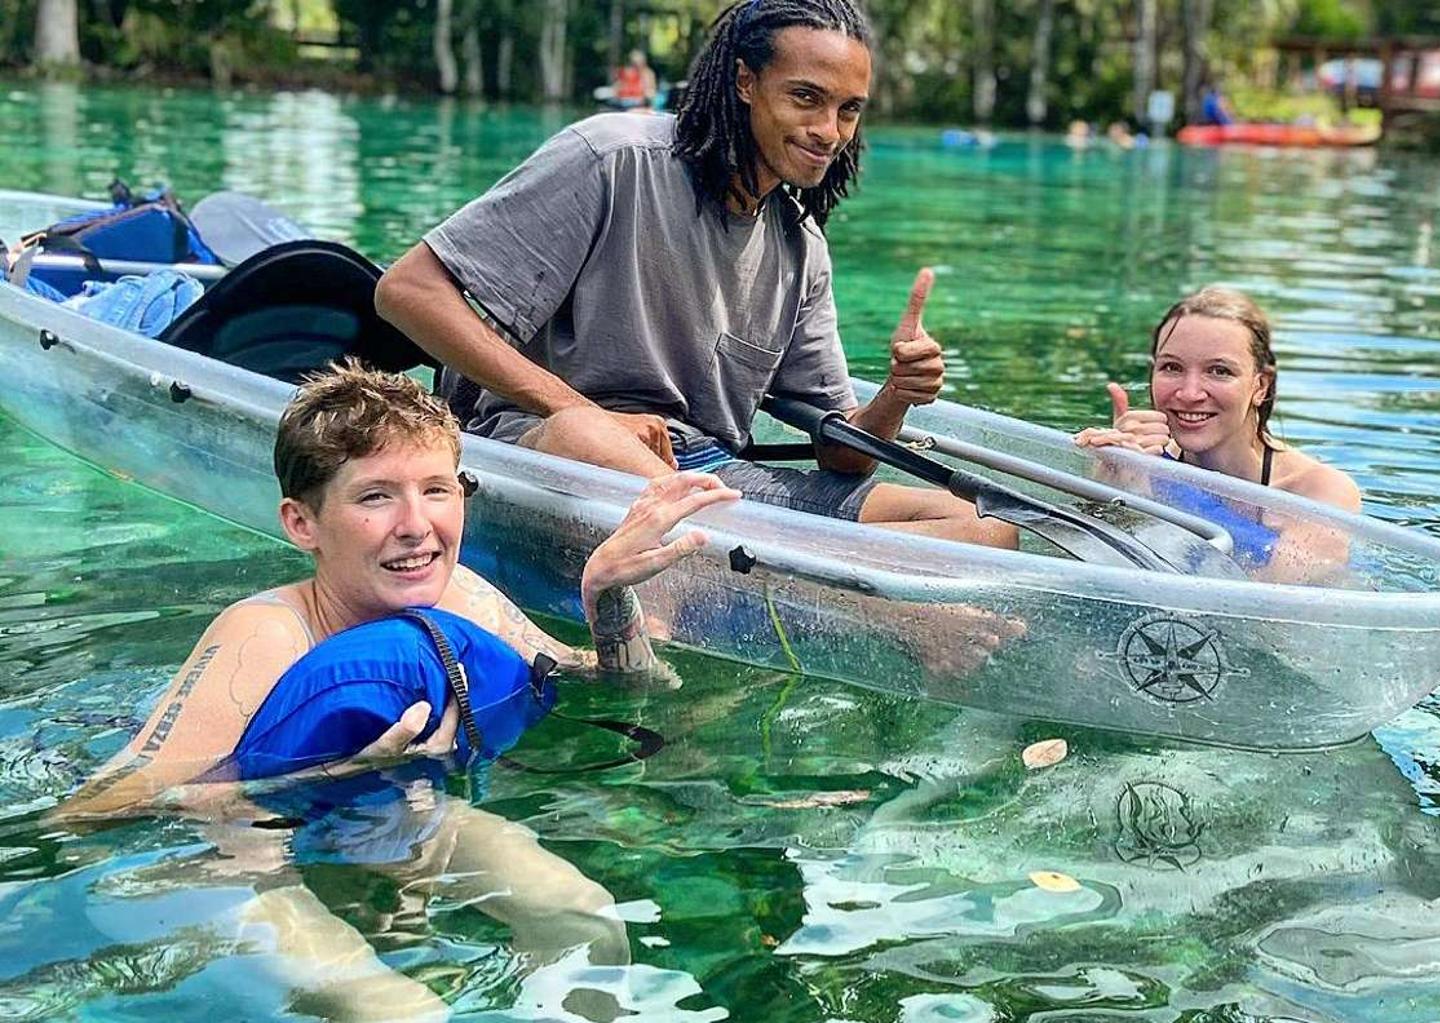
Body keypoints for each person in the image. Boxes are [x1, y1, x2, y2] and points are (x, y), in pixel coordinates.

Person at [53, 362, 739, 1020]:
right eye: (376, 495)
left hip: (403, 810)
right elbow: (95, 811)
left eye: (437, 489)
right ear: (302, 523)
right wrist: (335, 771)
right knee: (400, 1011)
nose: (417, 524)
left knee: (582, 918)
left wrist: (607, 595)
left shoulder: (461, 597)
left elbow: (622, 695)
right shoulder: (265, 636)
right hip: (238, 855)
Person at [374, 0, 1013, 550]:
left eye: (848, 110)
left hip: (712, 480)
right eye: (806, 98)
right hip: (547, 451)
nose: (829, 132)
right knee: (582, 435)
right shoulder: (612, 159)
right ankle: (814, 581)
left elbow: (839, 452)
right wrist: (590, 414)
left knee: (986, 531)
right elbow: (407, 293)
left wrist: (896, 397)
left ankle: (783, 574)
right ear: (744, 82)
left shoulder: (801, 244)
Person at [1074, 286, 1360, 514]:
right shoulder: (1141, 463)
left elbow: (1264, 586)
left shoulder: (1319, 492)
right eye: (1172, 367)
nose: (1189, 393)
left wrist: (1152, 506)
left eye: (1219, 371)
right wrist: (1117, 492)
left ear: (1261, 385)